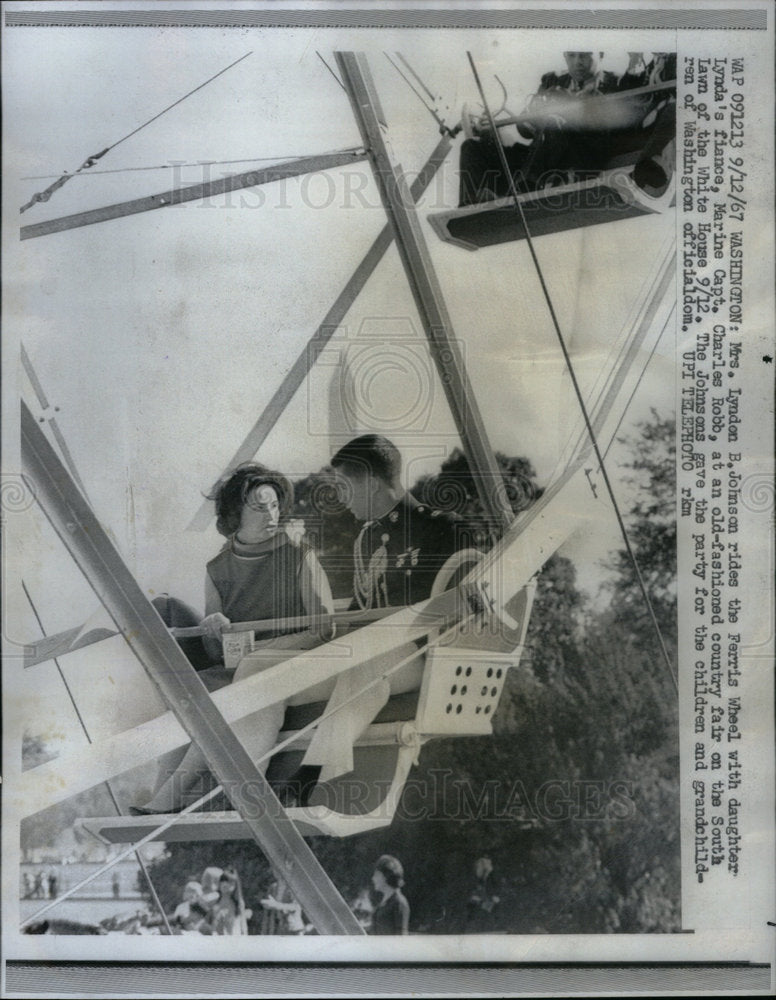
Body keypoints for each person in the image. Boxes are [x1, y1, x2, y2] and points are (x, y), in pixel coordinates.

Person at [132, 463, 334, 814]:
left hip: (294, 662)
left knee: (242, 684)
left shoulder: (300, 555)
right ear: (234, 513)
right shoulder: (217, 569)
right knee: (192, 692)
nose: (270, 514)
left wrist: (265, 649)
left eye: (273, 505)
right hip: (242, 668)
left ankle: (176, 796)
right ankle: (173, 792)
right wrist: (214, 627)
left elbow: (324, 629)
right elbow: (219, 653)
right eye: (259, 507)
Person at [458, 51, 669, 205]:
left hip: (584, 155)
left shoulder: (617, 82)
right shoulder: (552, 80)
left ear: (601, 55)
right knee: (472, 148)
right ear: (565, 57)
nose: (578, 63)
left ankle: (526, 187)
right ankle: (472, 202)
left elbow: (622, 126)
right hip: (542, 153)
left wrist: (567, 107)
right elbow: (525, 129)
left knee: (554, 122)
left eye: (585, 56)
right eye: (572, 56)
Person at [370, 854, 410, 935]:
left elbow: (401, 937)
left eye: (376, 875)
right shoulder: (384, 902)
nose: (373, 878)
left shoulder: (399, 902)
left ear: (385, 877)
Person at [465, 856, 501, 932]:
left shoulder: (487, 881)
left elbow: (492, 894)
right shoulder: (473, 880)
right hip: (475, 910)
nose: (487, 874)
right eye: (486, 871)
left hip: (484, 908)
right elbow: (470, 896)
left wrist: (492, 898)